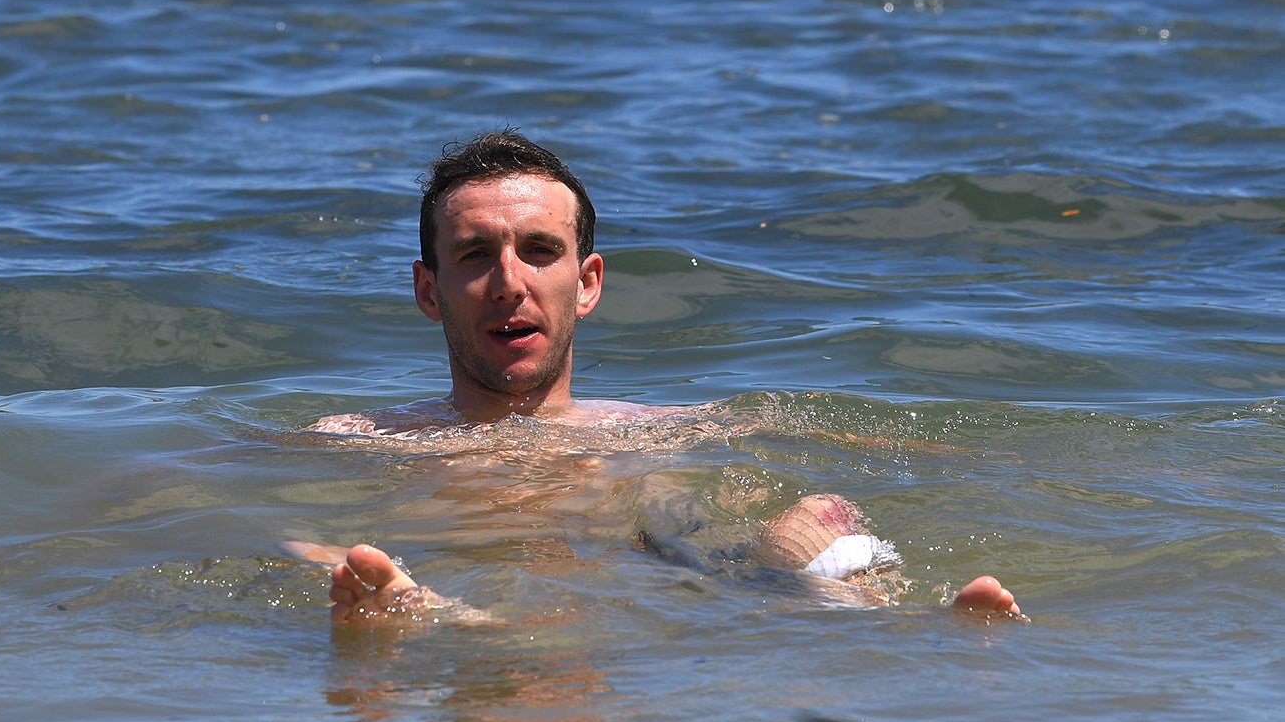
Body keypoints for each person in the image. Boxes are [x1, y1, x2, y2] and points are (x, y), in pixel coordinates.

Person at [295, 130, 1023, 628]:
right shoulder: (363, 441)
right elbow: (245, 515)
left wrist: (1002, 458)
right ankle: (433, 616)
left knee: (814, 516)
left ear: (587, 284)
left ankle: (897, 625)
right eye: (477, 254)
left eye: (540, 251)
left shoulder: (661, 431)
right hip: (455, 583)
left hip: (657, 586)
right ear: (429, 291)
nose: (510, 282)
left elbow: (887, 444)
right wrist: (337, 561)